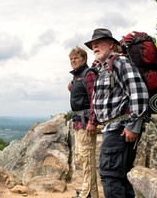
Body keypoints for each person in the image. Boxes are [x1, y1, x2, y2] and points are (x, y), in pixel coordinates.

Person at [84, 28, 149, 198]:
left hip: (119, 128)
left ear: (111, 44)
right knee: (120, 177)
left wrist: (134, 124)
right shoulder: (103, 68)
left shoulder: (119, 62)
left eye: (99, 42)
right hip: (113, 128)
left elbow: (139, 92)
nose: (95, 46)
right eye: (93, 44)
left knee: (110, 176)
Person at [68, 46, 99, 198]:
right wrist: (72, 88)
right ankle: (88, 191)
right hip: (78, 122)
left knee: (87, 159)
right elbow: (82, 96)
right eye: (71, 59)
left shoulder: (88, 73)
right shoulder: (77, 76)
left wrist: (93, 121)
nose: (73, 61)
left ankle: (89, 194)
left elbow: (94, 99)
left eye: (76, 58)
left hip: (86, 122)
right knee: (82, 157)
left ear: (84, 59)